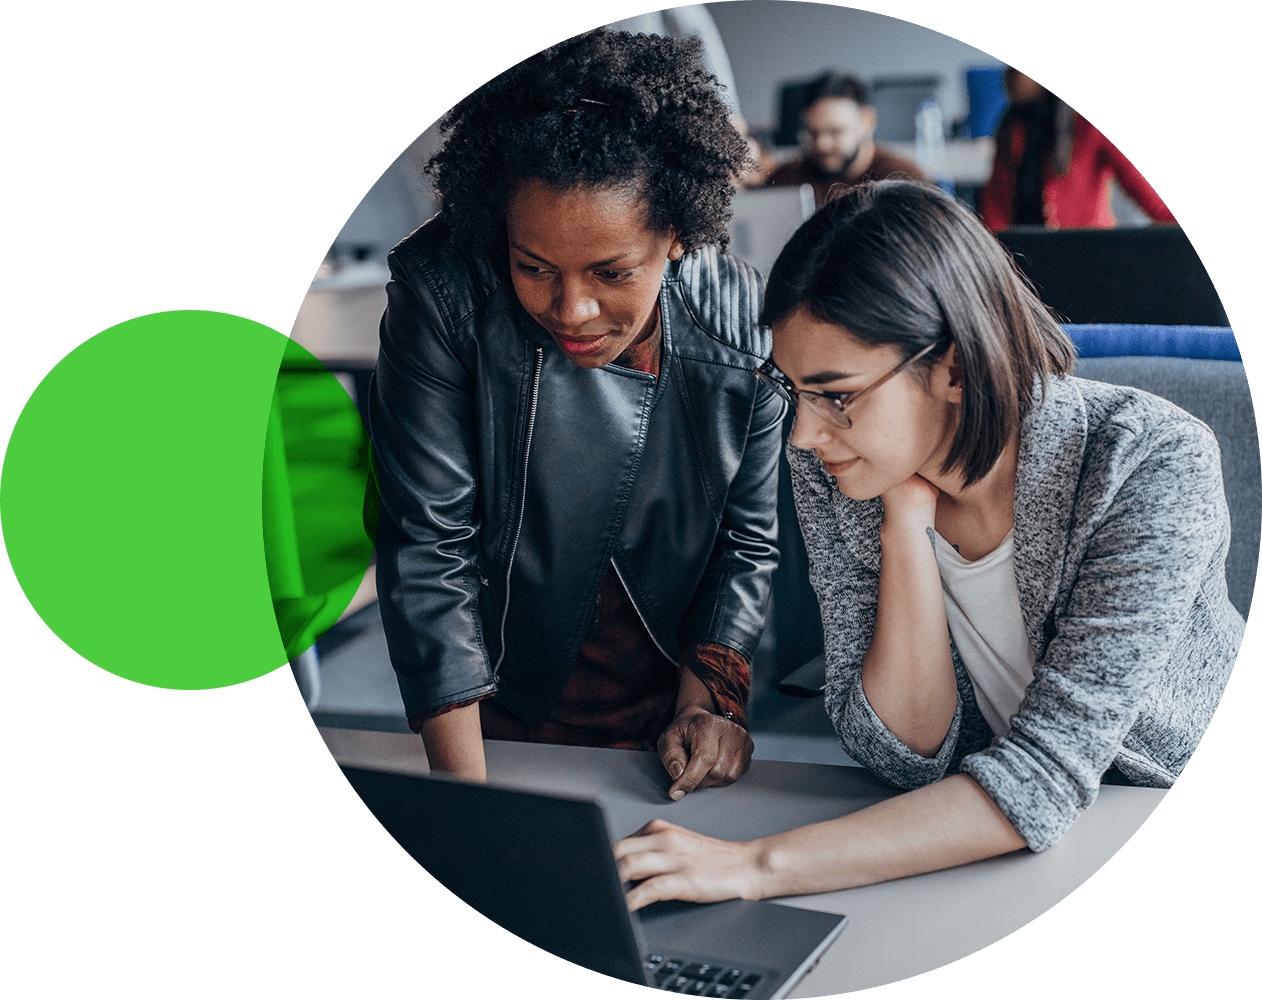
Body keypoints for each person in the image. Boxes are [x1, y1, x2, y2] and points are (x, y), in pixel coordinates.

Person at [614, 180, 1242, 907]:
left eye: (836, 395)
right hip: (990, 835)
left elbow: (1045, 776)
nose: (804, 434)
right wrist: (904, 524)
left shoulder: (1149, 460)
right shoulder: (844, 469)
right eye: (793, 391)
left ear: (953, 367)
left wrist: (752, 868)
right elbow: (901, 754)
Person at [367, 29, 786, 797]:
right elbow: (428, 548)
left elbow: (744, 544)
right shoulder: (443, 297)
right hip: (487, 712)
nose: (573, 309)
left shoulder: (742, 321)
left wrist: (708, 705)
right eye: (534, 267)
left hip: (660, 713)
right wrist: (467, 798)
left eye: (612, 272)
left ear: (680, 238)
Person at [980, 68, 1176, 230]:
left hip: (1087, 255)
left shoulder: (1089, 122)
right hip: (1026, 258)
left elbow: (1155, 203)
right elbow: (994, 209)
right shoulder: (1012, 123)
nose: (1009, 75)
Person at [767, 72, 926, 207]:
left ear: (867, 121)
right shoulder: (786, 179)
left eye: (836, 131)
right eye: (813, 133)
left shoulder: (904, 180)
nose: (822, 144)